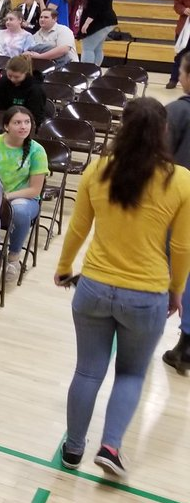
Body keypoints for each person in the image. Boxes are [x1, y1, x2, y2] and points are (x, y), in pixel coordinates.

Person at [57, 97, 190, 480]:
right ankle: (111, 447)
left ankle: (73, 448)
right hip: (146, 294)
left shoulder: (97, 170)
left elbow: (78, 227)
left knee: (87, 372)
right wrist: (177, 290)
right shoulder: (181, 180)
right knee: (131, 374)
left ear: (121, 128)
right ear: (164, 130)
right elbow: (183, 247)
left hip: (94, 287)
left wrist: (65, 268)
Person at [0, 106, 48, 283]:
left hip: (23, 198)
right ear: (6, 126)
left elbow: (35, 190)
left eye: (27, 122)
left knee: (18, 211)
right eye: (18, 122)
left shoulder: (37, 150)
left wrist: (6, 196)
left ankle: (13, 258)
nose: (23, 126)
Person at [164, 50, 190, 369]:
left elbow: (156, 158)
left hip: (175, 204)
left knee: (164, 268)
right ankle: (186, 344)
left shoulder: (177, 112)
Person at [79, 0, 117, 66]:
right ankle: (95, 69)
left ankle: (87, 70)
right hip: (105, 21)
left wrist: (86, 24)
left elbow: (95, 9)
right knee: (97, 48)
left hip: (100, 23)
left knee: (88, 48)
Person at [0, 54, 47, 120]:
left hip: (25, 121)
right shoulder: (3, 81)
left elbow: (35, 115)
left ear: (26, 73)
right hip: (3, 118)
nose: (12, 79)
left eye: (17, 77)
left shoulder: (36, 89)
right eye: (9, 75)